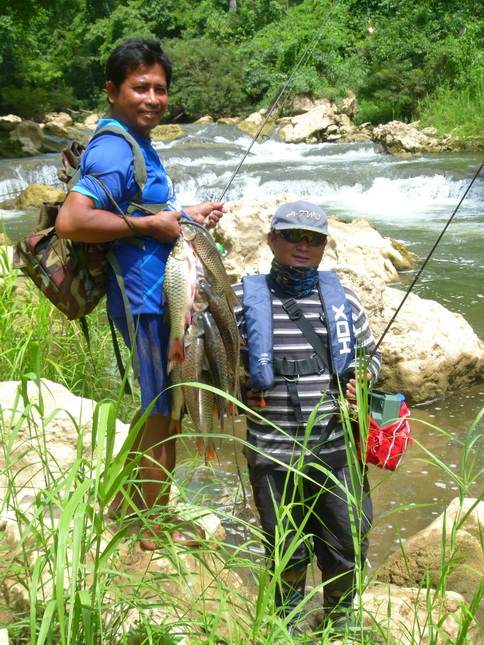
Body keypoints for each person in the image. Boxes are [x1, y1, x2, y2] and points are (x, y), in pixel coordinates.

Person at [56, 37, 226, 550]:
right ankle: (147, 526)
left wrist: (183, 215)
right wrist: (151, 227)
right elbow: (72, 220)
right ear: (113, 90)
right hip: (147, 300)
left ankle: (124, 504)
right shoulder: (112, 146)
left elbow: (138, 208)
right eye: (140, 88)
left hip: (158, 294)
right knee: (164, 411)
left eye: (160, 89)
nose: (152, 98)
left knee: (160, 407)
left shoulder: (136, 142)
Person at [232, 200, 382, 637]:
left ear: (324, 246)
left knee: (346, 544)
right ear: (271, 240)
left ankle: (341, 617)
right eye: (293, 236)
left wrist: (362, 380)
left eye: (314, 238)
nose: (303, 246)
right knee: (286, 549)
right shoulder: (240, 299)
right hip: (271, 453)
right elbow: (214, 361)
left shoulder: (344, 299)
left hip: (335, 449)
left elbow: (370, 358)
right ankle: (290, 620)